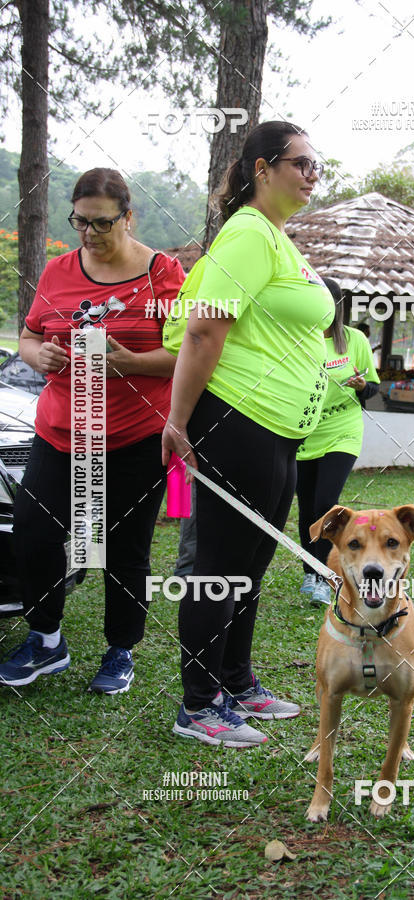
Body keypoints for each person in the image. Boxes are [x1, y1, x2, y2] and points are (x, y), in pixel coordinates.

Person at [161, 121, 334, 749]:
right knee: (221, 567)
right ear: (262, 167)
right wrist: (177, 421)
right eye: (302, 163)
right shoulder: (247, 235)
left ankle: (236, 681)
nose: (313, 174)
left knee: (253, 563)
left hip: (281, 432)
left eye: (319, 165)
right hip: (238, 422)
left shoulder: (279, 240)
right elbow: (205, 330)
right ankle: (199, 703)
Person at [0, 168, 185, 692]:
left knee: (124, 549)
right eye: (80, 222)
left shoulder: (162, 274)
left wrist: (129, 362)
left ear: (128, 217)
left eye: (102, 224)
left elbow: (185, 355)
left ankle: (120, 650)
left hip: (135, 438)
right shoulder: (59, 271)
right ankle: (46, 640)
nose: (89, 234)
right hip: (61, 435)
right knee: (35, 533)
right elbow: (31, 338)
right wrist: (43, 355)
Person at [296, 277, 379, 605]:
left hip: (343, 431)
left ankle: (324, 577)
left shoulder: (355, 341)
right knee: (306, 511)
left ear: (337, 307)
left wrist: (361, 387)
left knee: (326, 505)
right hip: (305, 433)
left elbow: (373, 387)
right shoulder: (299, 340)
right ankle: (309, 572)